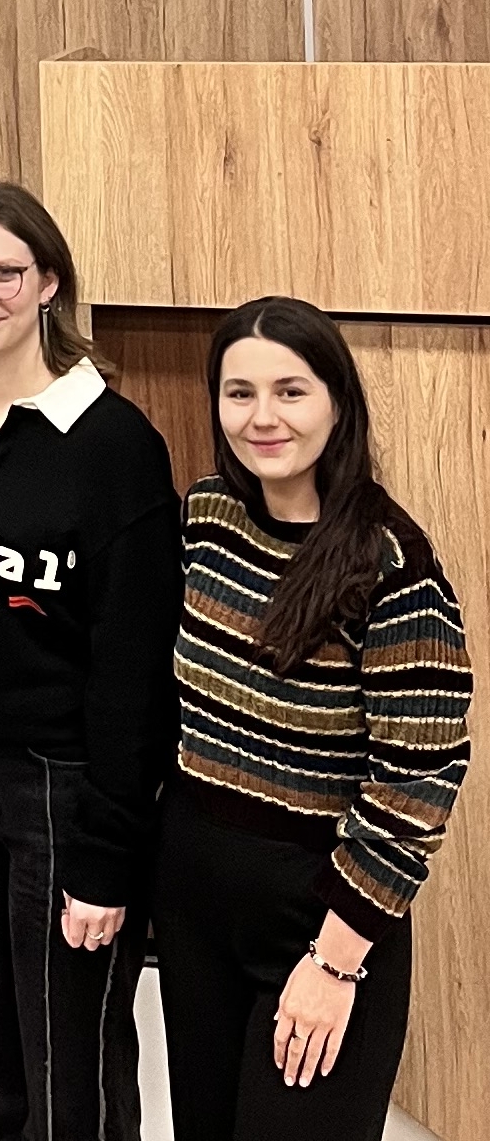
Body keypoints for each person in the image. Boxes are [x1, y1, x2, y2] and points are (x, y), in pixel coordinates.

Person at [0, 181, 180, 1141]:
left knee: (71, 1082)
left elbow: (134, 673)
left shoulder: (114, 445)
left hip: (62, 792)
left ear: (48, 280)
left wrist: (106, 861)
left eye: (4, 274)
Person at [154, 297, 472, 1141]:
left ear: (337, 402)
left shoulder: (388, 564)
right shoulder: (205, 515)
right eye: (239, 393)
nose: (261, 418)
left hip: (319, 915)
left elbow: (417, 780)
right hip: (193, 902)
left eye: (289, 391)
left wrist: (334, 962)